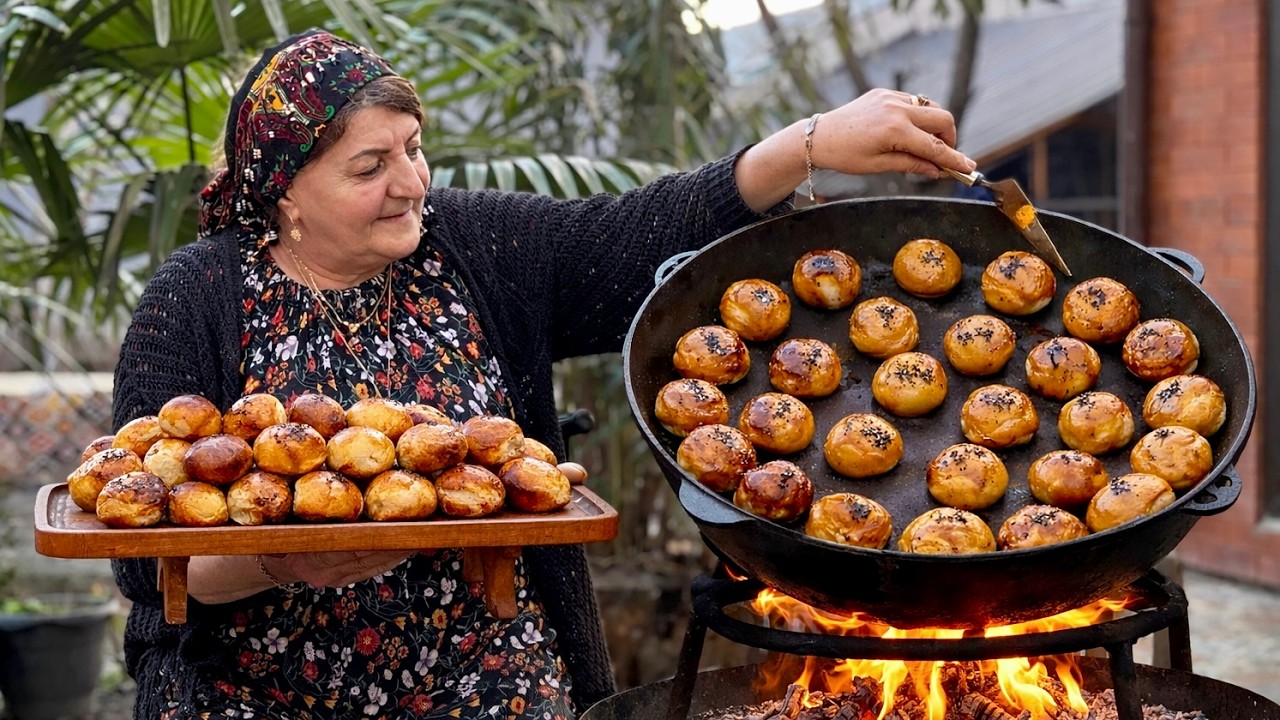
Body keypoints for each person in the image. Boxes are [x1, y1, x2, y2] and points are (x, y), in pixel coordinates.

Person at [109, 29, 974, 720]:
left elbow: (640, 232)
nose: (411, 183)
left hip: (493, 682)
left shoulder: (475, 246)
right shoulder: (197, 300)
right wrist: (291, 561)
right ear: (285, 192)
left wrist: (813, 141)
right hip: (260, 695)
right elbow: (147, 558)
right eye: (370, 168)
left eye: (413, 148)